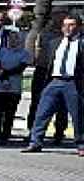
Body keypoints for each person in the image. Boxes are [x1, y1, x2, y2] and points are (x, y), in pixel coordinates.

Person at [22, 13, 84, 155]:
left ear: (79, 27)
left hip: (73, 83)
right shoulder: (54, 43)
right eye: (65, 25)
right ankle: (35, 142)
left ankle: (81, 144)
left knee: (78, 115)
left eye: (71, 25)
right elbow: (47, 64)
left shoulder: (81, 43)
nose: (67, 28)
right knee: (42, 112)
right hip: (54, 81)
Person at [26, 9, 70, 145]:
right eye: (56, 15)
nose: (58, 18)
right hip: (43, 71)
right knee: (36, 103)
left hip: (60, 74)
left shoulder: (68, 35)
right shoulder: (44, 33)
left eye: (62, 16)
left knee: (62, 105)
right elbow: (37, 51)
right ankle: (33, 132)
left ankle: (59, 133)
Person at [0, 31, 31, 143]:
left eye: (16, 38)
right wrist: (4, 79)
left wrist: (4, 75)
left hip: (13, 88)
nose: (13, 41)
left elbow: (19, 68)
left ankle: (5, 134)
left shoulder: (24, 54)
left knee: (9, 113)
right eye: (11, 38)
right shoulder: (1, 52)